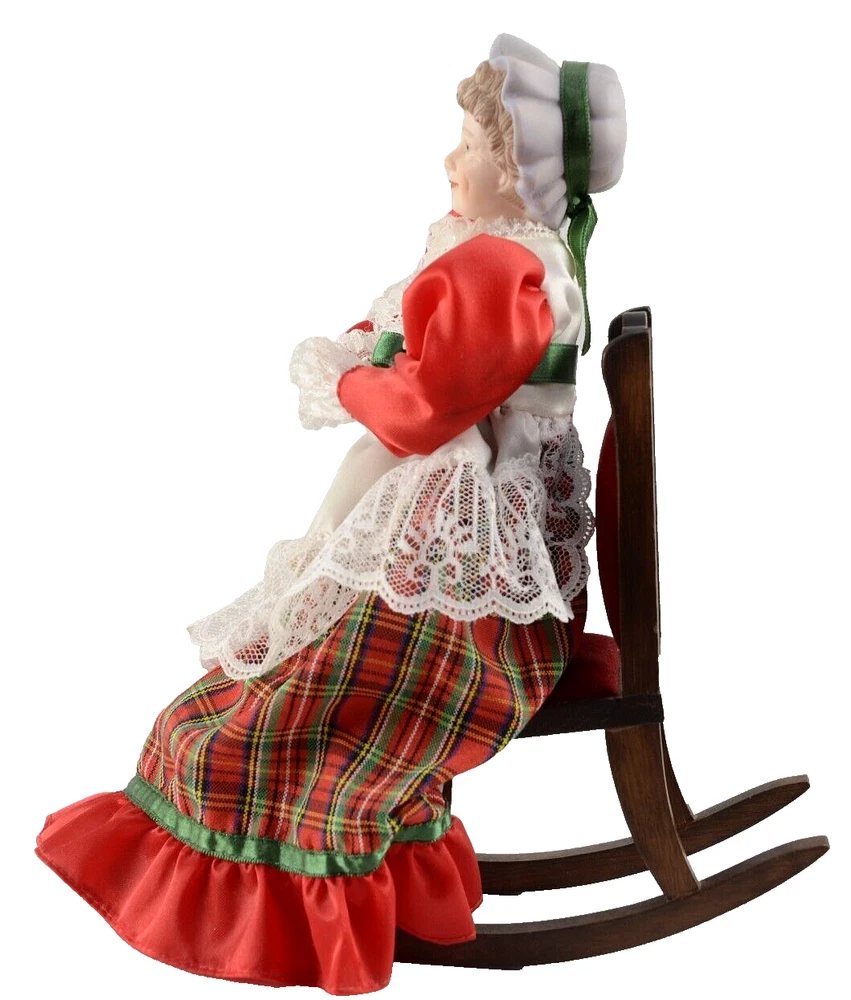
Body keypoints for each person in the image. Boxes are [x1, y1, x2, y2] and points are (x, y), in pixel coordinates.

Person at [35, 34, 626, 996]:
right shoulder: (525, 259)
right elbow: (425, 342)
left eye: (469, 147)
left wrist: (348, 377)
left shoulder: (499, 266)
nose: (449, 162)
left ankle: (291, 898)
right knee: (274, 666)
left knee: (246, 717)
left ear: (523, 170)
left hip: (457, 574)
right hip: (460, 546)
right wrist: (374, 348)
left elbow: (425, 408)